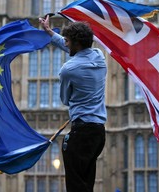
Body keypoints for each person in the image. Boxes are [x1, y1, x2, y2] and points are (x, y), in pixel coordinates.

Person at [39, 15, 107, 192]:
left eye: (68, 41)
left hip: (81, 132)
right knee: (86, 183)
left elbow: (65, 99)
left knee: (76, 186)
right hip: (98, 133)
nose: (66, 44)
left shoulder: (68, 70)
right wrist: (50, 33)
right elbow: (74, 49)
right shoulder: (100, 57)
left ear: (76, 44)